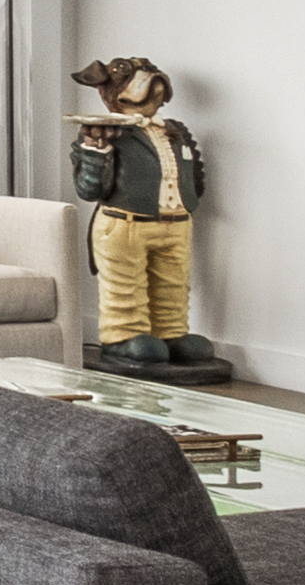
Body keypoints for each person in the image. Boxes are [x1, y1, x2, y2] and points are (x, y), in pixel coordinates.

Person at [69, 54, 228, 382]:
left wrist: (189, 202)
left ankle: (171, 333)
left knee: (174, 283)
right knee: (125, 286)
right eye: (133, 76)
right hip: (124, 224)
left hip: (176, 223)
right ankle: (122, 337)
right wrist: (96, 148)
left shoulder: (175, 131)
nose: (150, 81)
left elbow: (192, 172)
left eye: (152, 75)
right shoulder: (106, 132)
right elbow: (89, 189)